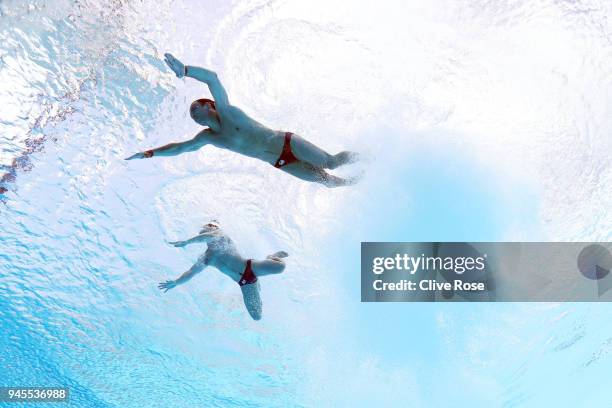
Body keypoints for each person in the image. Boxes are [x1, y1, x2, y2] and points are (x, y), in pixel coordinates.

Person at [126, 53, 359, 187]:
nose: (193, 113)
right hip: (280, 162)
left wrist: (185, 70)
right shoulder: (208, 138)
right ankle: (363, 183)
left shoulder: (226, 110)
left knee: (331, 162)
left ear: (210, 105)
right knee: (328, 182)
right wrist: (150, 153)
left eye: (195, 107)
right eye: (191, 114)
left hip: (287, 143)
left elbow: (212, 79)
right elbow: (180, 148)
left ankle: (370, 155)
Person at [158, 221, 288, 320]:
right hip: (244, 282)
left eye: (211, 226)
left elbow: (209, 236)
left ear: (215, 228)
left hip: (250, 266)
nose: (208, 228)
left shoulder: (222, 236)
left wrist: (187, 242)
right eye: (205, 227)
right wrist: (176, 282)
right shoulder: (207, 257)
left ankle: (272, 257)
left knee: (280, 267)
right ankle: (257, 287)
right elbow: (191, 272)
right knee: (256, 316)